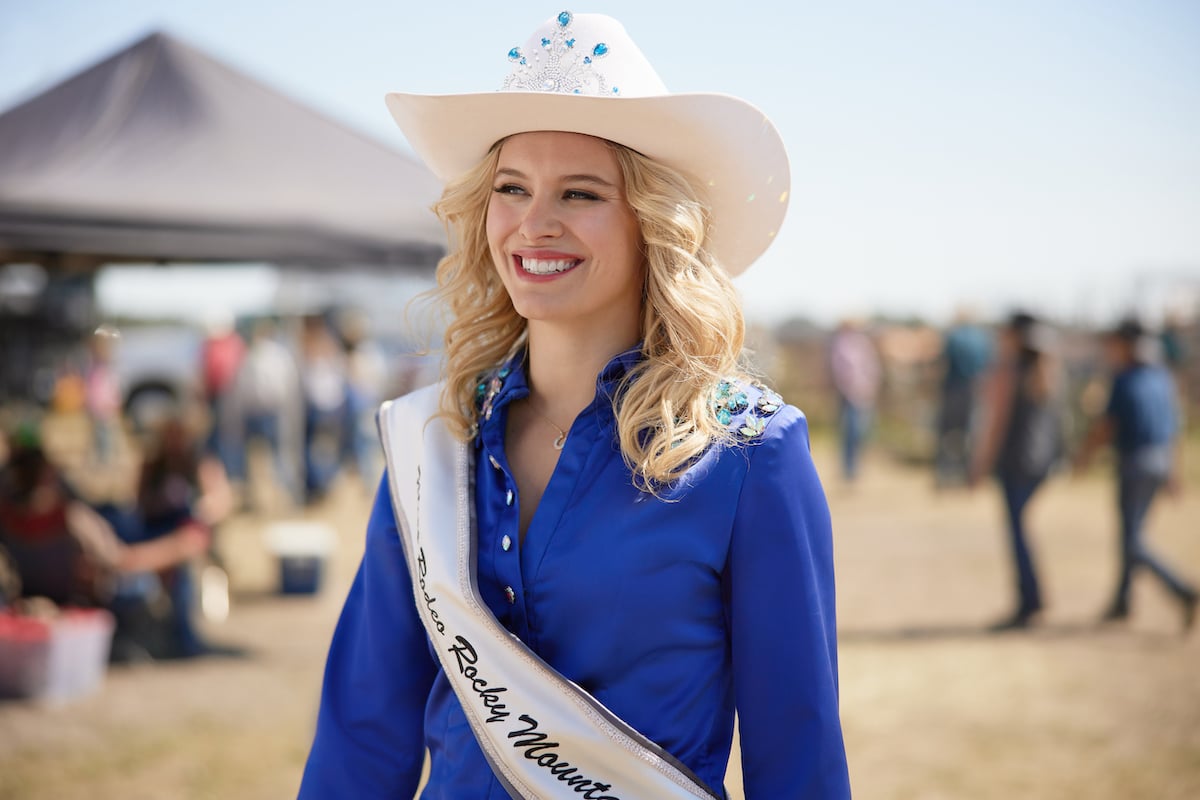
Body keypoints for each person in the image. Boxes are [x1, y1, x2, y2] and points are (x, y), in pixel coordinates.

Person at [299, 11, 849, 799]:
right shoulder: (433, 442)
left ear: (651, 223)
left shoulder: (747, 452)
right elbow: (361, 735)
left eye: (580, 193)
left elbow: (798, 758)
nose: (534, 223)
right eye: (511, 189)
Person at [1073, 317, 1197, 632]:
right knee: (1132, 534)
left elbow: (1107, 425)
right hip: (1158, 462)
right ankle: (1122, 601)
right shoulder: (1161, 376)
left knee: (1132, 541)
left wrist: (1084, 455)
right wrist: (1173, 472)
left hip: (1136, 464)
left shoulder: (1125, 378)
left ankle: (1181, 589)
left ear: (1125, 344)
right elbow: (1173, 427)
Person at [970, 312, 1066, 630]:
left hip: (1014, 463)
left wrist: (980, 463)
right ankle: (1032, 597)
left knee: (1017, 534)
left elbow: (995, 423)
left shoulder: (1009, 371)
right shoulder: (1048, 369)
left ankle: (1029, 601)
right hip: (1041, 463)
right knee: (1022, 531)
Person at [935, 309, 993, 487]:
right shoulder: (983, 339)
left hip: (954, 389)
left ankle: (945, 474)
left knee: (946, 433)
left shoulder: (953, 337)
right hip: (977, 391)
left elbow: (943, 361)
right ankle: (969, 474)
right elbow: (990, 364)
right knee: (972, 434)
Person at [828, 317, 882, 482]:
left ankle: (856, 467)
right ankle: (849, 469)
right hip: (849, 394)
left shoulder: (860, 343)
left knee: (862, 432)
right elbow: (840, 371)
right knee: (850, 432)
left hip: (863, 392)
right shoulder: (841, 344)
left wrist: (869, 386)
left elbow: (871, 366)